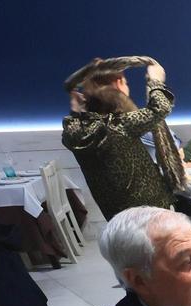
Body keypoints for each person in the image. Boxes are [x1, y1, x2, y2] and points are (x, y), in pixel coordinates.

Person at [61, 58, 179, 220]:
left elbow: (74, 121)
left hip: (117, 219)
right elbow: (160, 107)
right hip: (151, 214)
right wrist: (155, 81)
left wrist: (76, 111)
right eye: (126, 83)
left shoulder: (74, 132)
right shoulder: (120, 125)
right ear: (118, 84)